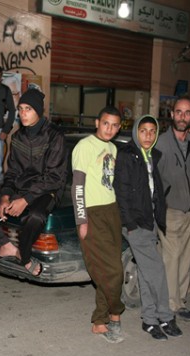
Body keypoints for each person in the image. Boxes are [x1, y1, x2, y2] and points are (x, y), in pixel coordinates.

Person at [0, 89, 67, 276]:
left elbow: (54, 177)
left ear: (38, 111)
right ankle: (5, 245)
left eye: (28, 109)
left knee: (36, 216)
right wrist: (5, 196)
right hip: (20, 188)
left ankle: (24, 255)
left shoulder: (55, 136)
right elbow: (12, 172)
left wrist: (26, 200)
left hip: (46, 191)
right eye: (20, 109)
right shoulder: (18, 136)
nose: (23, 113)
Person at [114, 115, 183, 340]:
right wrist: (130, 225)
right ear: (136, 132)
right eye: (143, 131)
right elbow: (121, 193)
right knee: (158, 271)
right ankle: (165, 316)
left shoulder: (153, 155)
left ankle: (150, 320)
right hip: (136, 224)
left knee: (146, 273)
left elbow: (156, 191)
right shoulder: (127, 155)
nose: (148, 136)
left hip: (151, 221)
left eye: (153, 131)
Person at [71, 106, 125, 343]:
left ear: (119, 128)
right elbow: (77, 186)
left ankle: (99, 321)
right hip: (92, 213)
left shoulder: (113, 148)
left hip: (111, 210)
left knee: (109, 268)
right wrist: (82, 219)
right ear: (97, 123)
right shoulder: (84, 146)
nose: (109, 129)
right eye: (105, 123)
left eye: (114, 125)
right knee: (113, 272)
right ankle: (115, 315)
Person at [155, 97, 190, 319]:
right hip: (171, 211)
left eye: (187, 113)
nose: (183, 117)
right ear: (172, 114)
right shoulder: (161, 143)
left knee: (185, 258)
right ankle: (171, 304)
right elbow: (154, 179)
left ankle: (180, 300)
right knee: (171, 258)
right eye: (179, 112)